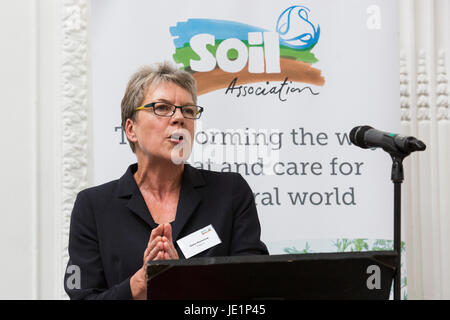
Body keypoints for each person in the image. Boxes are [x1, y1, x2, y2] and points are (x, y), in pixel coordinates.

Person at [64, 62, 268, 300]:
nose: (179, 118)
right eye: (162, 108)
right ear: (131, 129)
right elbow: (82, 297)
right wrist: (139, 284)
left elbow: (255, 290)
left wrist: (180, 278)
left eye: (189, 110)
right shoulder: (93, 207)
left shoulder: (230, 193)